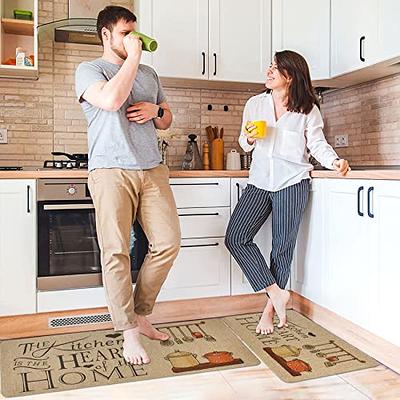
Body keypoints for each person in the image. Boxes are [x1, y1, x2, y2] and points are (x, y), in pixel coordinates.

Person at [75, 6, 181, 365]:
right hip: (110, 171)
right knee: (117, 251)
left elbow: (167, 119)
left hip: (152, 169)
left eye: (135, 32)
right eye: (125, 33)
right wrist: (132, 59)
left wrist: (156, 112)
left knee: (168, 243)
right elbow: (111, 100)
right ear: (106, 35)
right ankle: (129, 333)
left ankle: (140, 312)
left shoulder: (150, 73)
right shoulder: (89, 70)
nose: (133, 39)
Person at [225, 50, 350, 335]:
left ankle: (270, 311)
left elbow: (317, 144)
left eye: (275, 68)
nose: (268, 71)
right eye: (269, 66)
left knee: (282, 248)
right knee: (235, 237)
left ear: (290, 75)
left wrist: (334, 162)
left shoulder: (307, 110)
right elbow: (244, 144)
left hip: (292, 183)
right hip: (259, 182)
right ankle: (276, 292)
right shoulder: (255, 104)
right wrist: (249, 137)